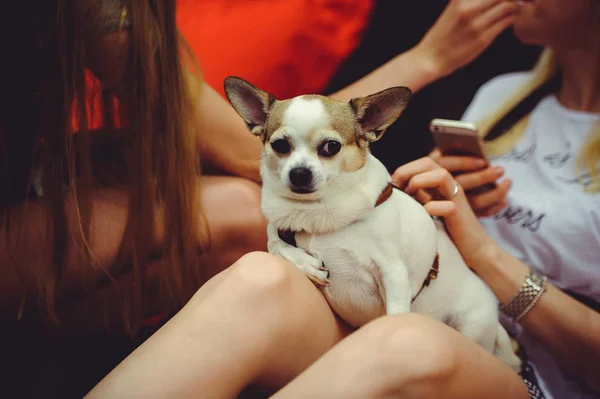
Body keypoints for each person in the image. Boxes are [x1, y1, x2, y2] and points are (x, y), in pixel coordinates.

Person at [2, 0, 531, 397]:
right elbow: (245, 147)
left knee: (247, 238)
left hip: (467, 321)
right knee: (246, 224)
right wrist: (428, 58)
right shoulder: (503, 97)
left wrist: (484, 255)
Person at [392, 1, 600, 397]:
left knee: (407, 345)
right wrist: (428, 210)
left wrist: (482, 252)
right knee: (268, 280)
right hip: (442, 315)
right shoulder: (504, 96)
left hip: (534, 377)